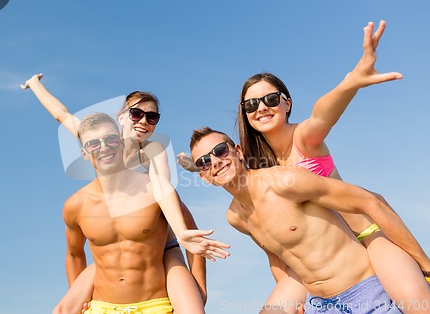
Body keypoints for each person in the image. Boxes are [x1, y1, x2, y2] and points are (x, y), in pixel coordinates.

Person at [178, 20, 430, 305]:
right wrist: (197, 166)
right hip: (321, 267)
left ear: (287, 103)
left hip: (367, 236)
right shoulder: (257, 161)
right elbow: (225, 164)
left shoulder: (304, 138)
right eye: (251, 104)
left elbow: (323, 113)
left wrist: (352, 80)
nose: (261, 107)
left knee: (417, 302)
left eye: (271, 99)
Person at [21, 77, 221, 313]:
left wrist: (180, 230)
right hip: (114, 242)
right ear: (122, 115)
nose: (144, 121)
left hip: (162, 244)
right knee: (65, 308)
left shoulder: (152, 150)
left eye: (152, 117)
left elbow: (162, 186)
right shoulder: (99, 137)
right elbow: (61, 114)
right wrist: (35, 85)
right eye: (136, 114)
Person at [190, 127, 429, 313]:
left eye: (220, 151)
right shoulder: (235, 217)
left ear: (238, 151)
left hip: (365, 291)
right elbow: (277, 256)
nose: (215, 161)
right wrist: (295, 303)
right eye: (204, 162)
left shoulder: (285, 182)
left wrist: (425, 266)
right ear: (202, 176)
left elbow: (371, 202)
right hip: (320, 305)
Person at [54, 112, 208, 314]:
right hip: (101, 307)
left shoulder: (155, 191)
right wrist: (80, 296)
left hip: (156, 306)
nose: (104, 148)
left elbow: (192, 236)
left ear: (121, 142)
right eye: (93, 144)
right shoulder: (75, 205)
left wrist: (200, 291)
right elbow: (74, 254)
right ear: (84, 152)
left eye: (110, 140)